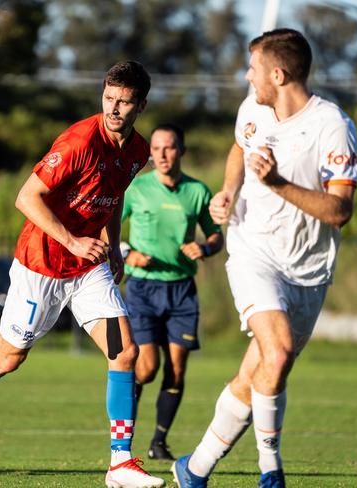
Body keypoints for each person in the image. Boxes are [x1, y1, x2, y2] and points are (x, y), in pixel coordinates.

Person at [0, 60, 166, 488]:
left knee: (124, 352)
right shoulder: (78, 142)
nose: (114, 109)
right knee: (9, 357)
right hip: (43, 265)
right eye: (109, 98)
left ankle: (120, 462)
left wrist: (110, 246)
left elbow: (114, 197)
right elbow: (27, 197)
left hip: (89, 270)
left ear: (141, 105)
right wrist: (73, 241)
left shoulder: (138, 151)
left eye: (124, 102)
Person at [171, 29, 357, 488]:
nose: (246, 75)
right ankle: (270, 471)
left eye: (252, 67)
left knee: (258, 372)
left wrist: (277, 185)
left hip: (309, 270)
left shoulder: (332, 126)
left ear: (278, 74)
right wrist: (229, 191)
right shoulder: (251, 107)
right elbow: (240, 146)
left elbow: (339, 211)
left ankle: (194, 469)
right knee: (276, 353)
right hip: (253, 249)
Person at [120, 124, 223, 462]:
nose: (162, 155)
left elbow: (215, 236)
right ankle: (123, 440)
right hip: (142, 288)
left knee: (176, 370)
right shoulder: (136, 188)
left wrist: (205, 249)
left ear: (182, 151)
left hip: (181, 291)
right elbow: (105, 226)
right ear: (150, 153)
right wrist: (126, 252)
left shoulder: (198, 191)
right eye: (157, 148)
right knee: (146, 367)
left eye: (170, 148)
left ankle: (159, 441)